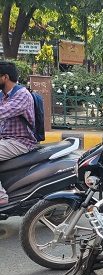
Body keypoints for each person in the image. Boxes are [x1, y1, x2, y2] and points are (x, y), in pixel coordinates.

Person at [0, 61, 37, 204]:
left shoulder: (22, 94)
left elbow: (3, 112)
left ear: (5, 77)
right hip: (6, 140)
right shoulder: (2, 94)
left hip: (21, 141)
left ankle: (1, 198)